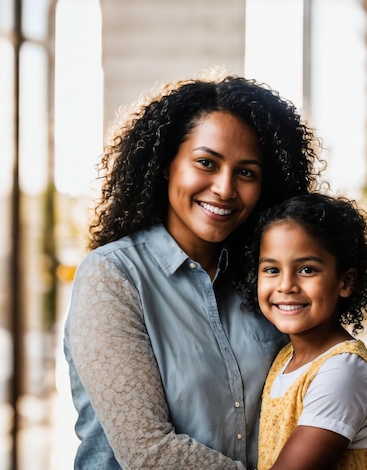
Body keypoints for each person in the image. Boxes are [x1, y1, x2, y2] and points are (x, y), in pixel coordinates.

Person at [63, 72, 322, 469]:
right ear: (167, 164)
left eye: (246, 172)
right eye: (206, 163)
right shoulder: (112, 277)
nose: (224, 188)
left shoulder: (267, 280)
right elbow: (148, 452)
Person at [239, 193, 367, 469]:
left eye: (307, 269)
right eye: (272, 269)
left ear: (345, 282)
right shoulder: (286, 357)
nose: (286, 285)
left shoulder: (344, 372)